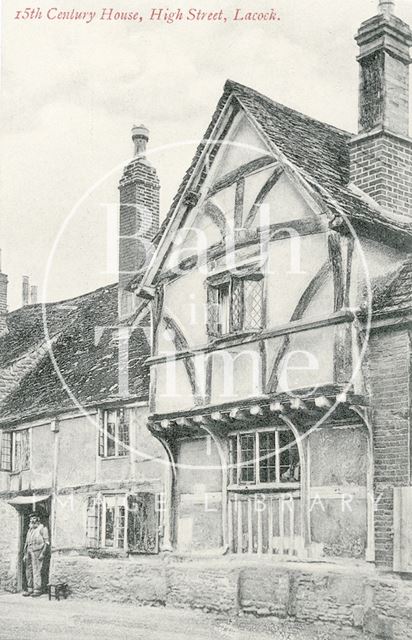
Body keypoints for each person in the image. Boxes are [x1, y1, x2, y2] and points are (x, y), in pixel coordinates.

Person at [22, 513, 50, 597]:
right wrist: (25, 554)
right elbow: (26, 543)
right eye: (31, 519)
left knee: (36, 570)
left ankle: (37, 589)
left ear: (38, 519)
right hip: (28, 552)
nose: (32, 520)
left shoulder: (43, 528)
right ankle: (30, 589)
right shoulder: (30, 529)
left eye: (34, 518)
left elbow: (46, 543)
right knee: (28, 570)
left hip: (37, 552)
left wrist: (42, 553)